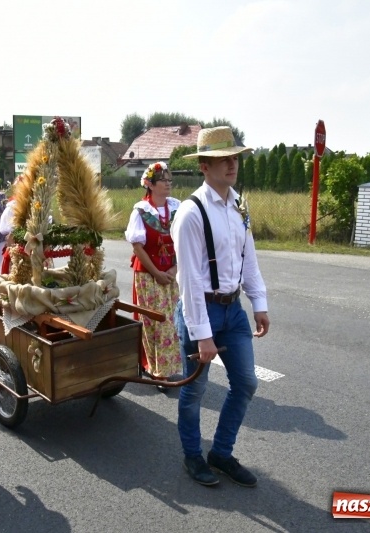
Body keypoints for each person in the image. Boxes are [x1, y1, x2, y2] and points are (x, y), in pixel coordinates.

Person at [172, 126, 270, 488]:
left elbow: (249, 258)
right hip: (203, 311)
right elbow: (189, 280)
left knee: (245, 383)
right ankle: (193, 456)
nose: (232, 165)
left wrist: (258, 302)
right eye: (222, 159)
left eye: (234, 158)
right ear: (203, 166)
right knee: (195, 390)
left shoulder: (238, 204)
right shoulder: (191, 212)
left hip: (233, 311)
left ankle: (221, 453)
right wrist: (201, 335)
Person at [125, 161, 181, 386]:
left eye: (169, 180)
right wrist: (157, 272)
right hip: (149, 275)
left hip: (171, 273)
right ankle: (156, 368)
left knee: (174, 319)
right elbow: (137, 247)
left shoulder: (177, 208)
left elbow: (183, 241)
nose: (168, 184)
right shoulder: (140, 211)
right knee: (155, 321)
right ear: (150, 184)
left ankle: (169, 365)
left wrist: (175, 268)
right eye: (163, 181)